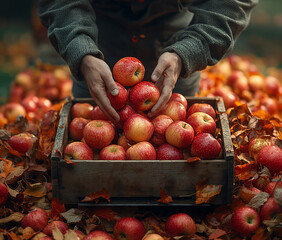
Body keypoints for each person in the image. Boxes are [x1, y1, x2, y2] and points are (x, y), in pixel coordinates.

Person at [37, 0, 258, 123]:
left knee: (175, 165)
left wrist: (189, 51)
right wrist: (81, 50)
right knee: (91, 169)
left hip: (175, 42)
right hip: (99, 41)